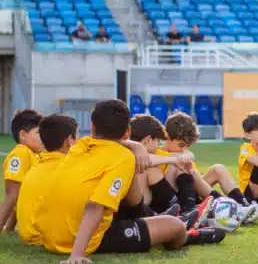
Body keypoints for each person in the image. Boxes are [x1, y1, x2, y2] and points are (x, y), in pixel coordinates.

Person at [33, 99, 222, 263]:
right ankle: (189, 235)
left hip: (50, 235)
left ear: (92, 127)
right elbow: (94, 207)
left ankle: (155, 216)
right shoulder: (122, 157)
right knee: (174, 226)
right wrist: (76, 255)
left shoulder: (79, 147)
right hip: (83, 238)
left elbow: (106, 142)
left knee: (129, 185)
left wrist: (135, 145)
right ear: (127, 131)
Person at [162, 113, 258, 227]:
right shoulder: (159, 155)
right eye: (181, 145)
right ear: (167, 136)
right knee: (179, 167)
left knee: (218, 169)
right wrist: (178, 159)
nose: (184, 149)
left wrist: (185, 157)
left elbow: (192, 174)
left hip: (191, 191)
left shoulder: (183, 154)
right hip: (174, 199)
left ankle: (243, 205)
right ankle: (233, 209)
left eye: (187, 146)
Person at [0, 109, 43, 238]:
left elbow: (20, 196)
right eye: (39, 133)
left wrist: (10, 228)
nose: (43, 137)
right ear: (23, 135)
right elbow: (12, 194)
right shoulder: (21, 154)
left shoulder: (34, 154)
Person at [17, 114, 78, 245]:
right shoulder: (68, 167)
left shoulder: (37, 165)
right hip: (46, 237)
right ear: (69, 140)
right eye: (75, 137)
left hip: (28, 234)